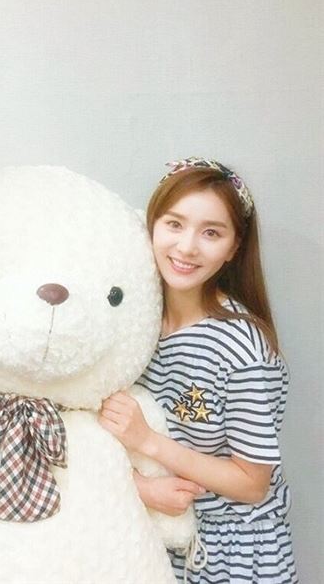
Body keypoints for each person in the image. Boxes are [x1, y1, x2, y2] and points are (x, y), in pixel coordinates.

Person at [99, 157, 298, 583]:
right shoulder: (134, 322)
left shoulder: (240, 346)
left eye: (211, 233)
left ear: (233, 248)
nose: (187, 247)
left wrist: (148, 441)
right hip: (157, 537)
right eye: (174, 224)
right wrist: (140, 487)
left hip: (233, 554)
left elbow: (252, 483)